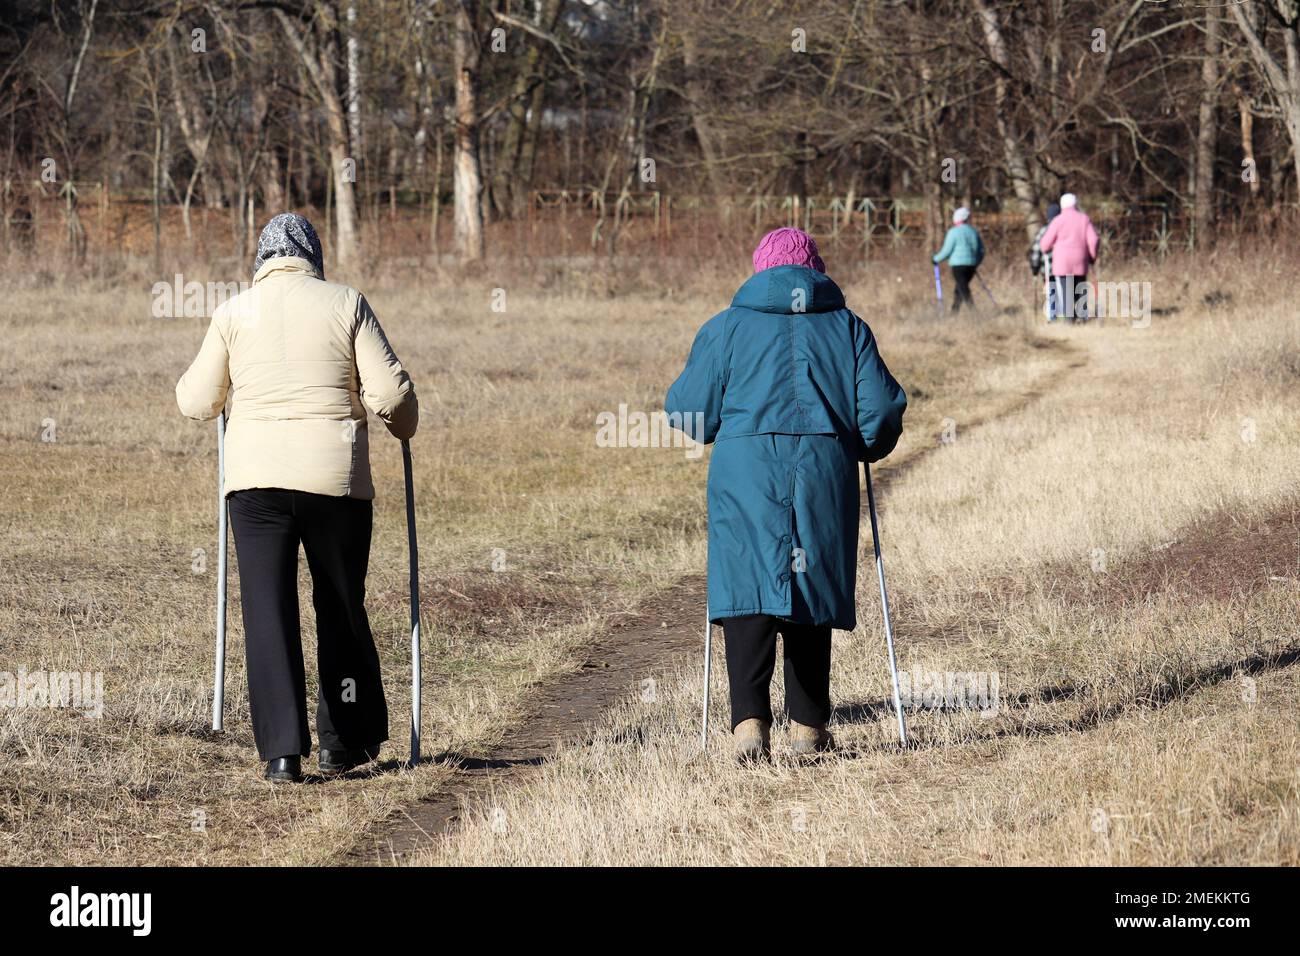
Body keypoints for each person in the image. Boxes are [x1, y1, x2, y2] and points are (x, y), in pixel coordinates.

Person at [176, 213, 418, 783]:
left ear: (260, 258)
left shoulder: (233, 312)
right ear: (314, 255)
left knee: (267, 613)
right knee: (339, 604)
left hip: (255, 485)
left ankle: (282, 754)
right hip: (334, 483)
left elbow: (196, 399)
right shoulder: (346, 303)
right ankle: (345, 741)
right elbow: (388, 393)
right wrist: (404, 421)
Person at [665, 227, 907, 761]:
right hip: (824, 468)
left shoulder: (726, 326)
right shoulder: (848, 327)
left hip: (745, 469)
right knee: (810, 583)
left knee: (747, 584)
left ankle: (748, 727)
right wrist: (865, 443)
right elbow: (884, 409)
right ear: (815, 272)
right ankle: (808, 729)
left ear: (760, 271)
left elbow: (690, 411)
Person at [1038, 193, 1099, 323]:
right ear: (1075, 204)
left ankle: (1069, 318)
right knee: (1080, 286)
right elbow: (1093, 239)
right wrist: (1092, 256)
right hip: (1080, 260)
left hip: (1062, 262)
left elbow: (1045, 243)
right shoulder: (1084, 219)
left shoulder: (1057, 220)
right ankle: (1082, 315)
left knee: (1065, 289)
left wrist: (1045, 248)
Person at [931, 206, 984, 313]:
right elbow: (980, 250)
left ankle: (974, 312)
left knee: (963, 287)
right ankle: (954, 313)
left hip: (958, 266)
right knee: (959, 288)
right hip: (971, 266)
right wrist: (976, 262)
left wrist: (935, 259)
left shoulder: (953, 232)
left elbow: (947, 251)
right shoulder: (973, 232)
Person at [1028, 202, 1061, 321]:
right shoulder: (1063, 230)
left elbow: (1036, 250)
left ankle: (1052, 315)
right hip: (1063, 267)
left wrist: (1034, 266)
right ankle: (1063, 314)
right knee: (1063, 291)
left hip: (1047, 268)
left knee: (1051, 292)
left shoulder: (1043, 231)